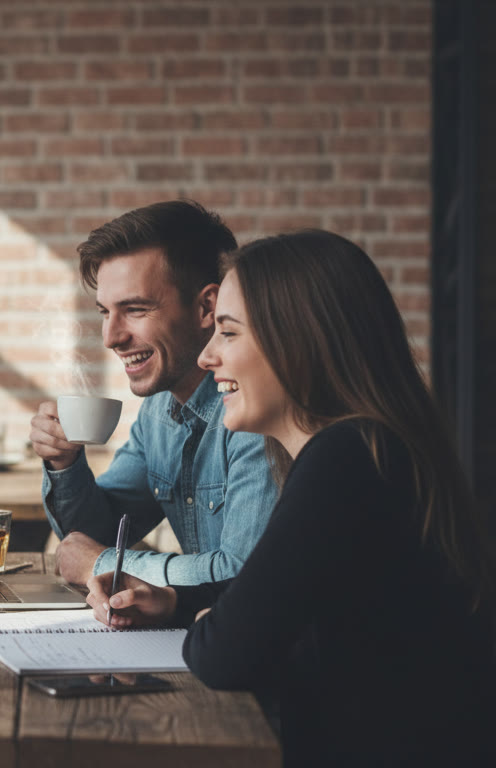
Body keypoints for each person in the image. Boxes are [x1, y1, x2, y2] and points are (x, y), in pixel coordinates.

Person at [85, 230, 496, 764]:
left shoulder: (347, 459)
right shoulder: (363, 448)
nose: (208, 356)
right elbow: (279, 602)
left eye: (228, 334)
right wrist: (181, 603)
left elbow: (226, 656)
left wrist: (214, 621)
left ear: (298, 340)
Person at [30, 200, 279, 586]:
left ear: (205, 308)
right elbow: (93, 536)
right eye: (104, 312)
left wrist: (106, 564)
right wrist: (64, 464)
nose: (112, 337)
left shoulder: (257, 412)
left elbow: (243, 576)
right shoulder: (161, 411)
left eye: (135, 309)